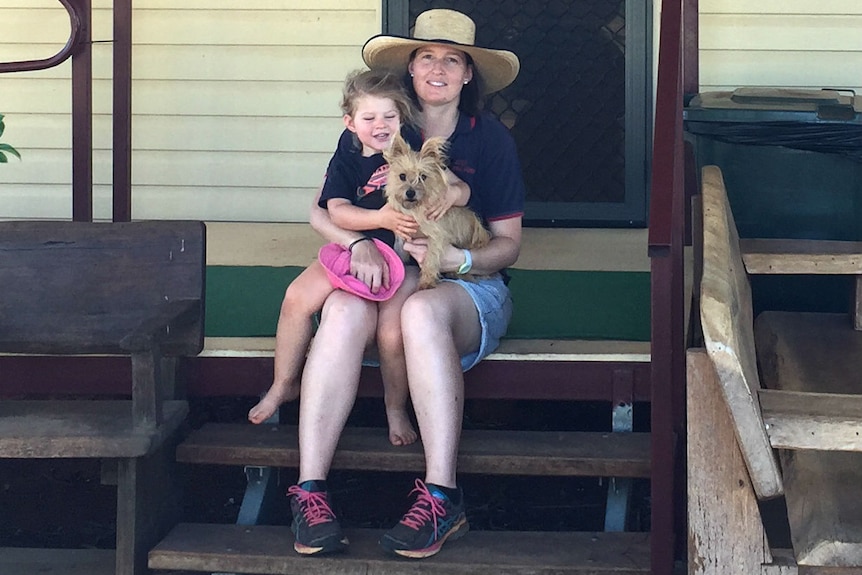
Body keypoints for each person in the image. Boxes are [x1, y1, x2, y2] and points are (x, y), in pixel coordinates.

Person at [287, 8, 525, 559]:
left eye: (452, 59)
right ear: (411, 70)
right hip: (383, 273)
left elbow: (509, 245)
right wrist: (361, 241)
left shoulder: (489, 141)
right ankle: (310, 491)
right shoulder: (382, 125)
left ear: (469, 74)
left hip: (467, 284)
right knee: (344, 311)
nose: (437, 68)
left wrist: (461, 259)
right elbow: (324, 211)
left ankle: (442, 496)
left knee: (420, 312)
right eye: (426, 57)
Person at [247, 69, 424, 445]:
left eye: (390, 117)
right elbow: (337, 211)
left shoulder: (409, 145)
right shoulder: (347, 153)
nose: (381, 126)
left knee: (391, 335)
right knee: (296, 297)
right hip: (352, 243)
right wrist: (376, 221)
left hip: (399, 254)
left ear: (402, 119)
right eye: (369, 118)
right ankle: (283, 384)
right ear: (350, 122)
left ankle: (395, 408)